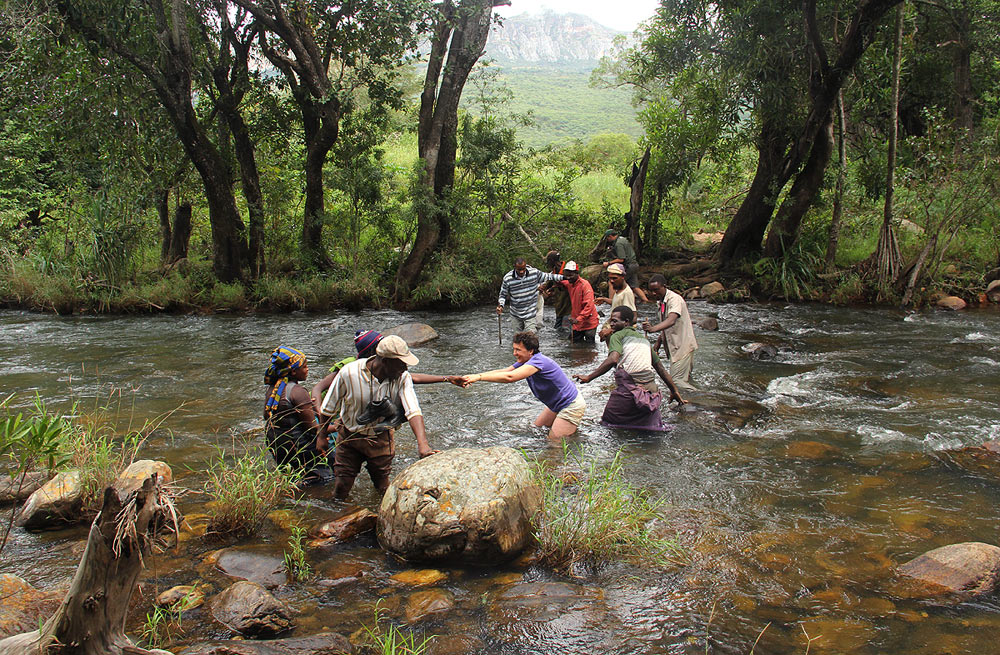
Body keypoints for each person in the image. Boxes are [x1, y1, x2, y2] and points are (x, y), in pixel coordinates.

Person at [317, 335, 438, 499]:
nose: (405, 368)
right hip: (349, 438)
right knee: (341, 487)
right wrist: (322, 436)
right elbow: (328, 408)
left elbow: (413, 410)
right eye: (402, 363)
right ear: (385, 361)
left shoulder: (402, 377)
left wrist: (423, 445)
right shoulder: (349, 373)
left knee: (382, 485)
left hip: (381, 438)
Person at [457, 331, 586, 439]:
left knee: (554, 443)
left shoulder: (538, 362)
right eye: (514, 349)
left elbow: (510, 377)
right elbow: (505, 371)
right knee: (537, 429)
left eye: (518, 350)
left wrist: (479, 377)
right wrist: (474, 376)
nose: (514, 353)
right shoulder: (527, 360)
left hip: (570, 404)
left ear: (530, 351)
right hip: (557, 403)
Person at [574, 307, 685, 431]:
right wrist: (674, 391)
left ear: (626, 322)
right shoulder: (644, 340)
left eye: (615, 321)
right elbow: (661, 370)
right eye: (611, 320)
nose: (611, 324)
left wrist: (589, 377)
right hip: (651, 393)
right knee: (651, 430)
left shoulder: (617, 336)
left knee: (607, 426)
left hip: (629, 393)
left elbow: (613, 359)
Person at [311, 329, 459, 410]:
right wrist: (318, 411)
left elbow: (412, 377)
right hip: (330, 410)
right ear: (375, 354)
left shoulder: (384, 369)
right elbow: (318, 388)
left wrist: (447, 378)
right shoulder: (349, 368)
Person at [263, 346, 330, 483]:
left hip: (279, 446)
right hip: (298, 447)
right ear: (293, 371)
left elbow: (266, 415)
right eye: (304, 367)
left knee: (295, 479)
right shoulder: (298, 392)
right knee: (325, 478)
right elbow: (314, 429)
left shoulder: (274, 388)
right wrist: (340, 425)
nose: (307, 370)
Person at [642, 273, 698, 390]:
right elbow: (666, 324)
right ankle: (692, 403)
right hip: (675, 347)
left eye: (656, 290)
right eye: (651, 291)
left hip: (682, 347)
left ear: (664, 286)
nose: (653, 294)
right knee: (686, 381)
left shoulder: (674, 299)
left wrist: (653, 329)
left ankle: (705, 400)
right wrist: (658, 344)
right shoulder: (661, 302)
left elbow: (671, 320)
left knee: (676, 382)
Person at [497, 257, 563, 333]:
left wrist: (565, 277)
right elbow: (503, 294)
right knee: (517, 338)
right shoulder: (507, 278)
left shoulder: (534, 273)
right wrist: (501, 305)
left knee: (530, 336)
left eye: (523, 269)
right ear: (514, 267)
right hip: (516, 313)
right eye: (519, 270)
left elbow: (549, 276)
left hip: (530, 312)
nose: (522, 272)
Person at [601, 229, 648, 302]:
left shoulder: (618, 244)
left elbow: (621, 259)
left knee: (612, 282)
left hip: (629, 266)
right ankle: (646, 301)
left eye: (607, 238)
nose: (608, 240)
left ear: (610, 236)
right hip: (634, 265)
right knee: (634, 286)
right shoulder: (623, 239)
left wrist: (608, 263)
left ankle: (611, 301)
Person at [559, 261, 599, 343]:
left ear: (577, 273)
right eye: (567, 276)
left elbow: (589, 305)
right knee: (576, 345)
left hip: (589, 323)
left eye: (570, 275)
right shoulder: (570, 283)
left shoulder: (585, 285)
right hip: (576, 323)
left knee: (589, 347)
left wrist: (578, 319)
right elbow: (561, 280)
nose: (568, 278)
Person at [596, 262, 636, 341]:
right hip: (616, 327)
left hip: (622, 333)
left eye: (614, 278)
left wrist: (611, 330)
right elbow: (617, 304)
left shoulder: (627, 293)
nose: (611, 281)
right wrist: (604, 299)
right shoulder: (619, 290)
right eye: (610, 278)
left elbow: (633, 318)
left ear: (623, 277)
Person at [541, 250, 572, 330]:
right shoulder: (554, 271)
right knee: (558, 329)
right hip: (559, 306)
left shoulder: (567, 270)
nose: (548, 264)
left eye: (548, 261)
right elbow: (548, 283)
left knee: (566, 329)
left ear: (552, 261)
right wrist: (544, 289)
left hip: (569, 307)